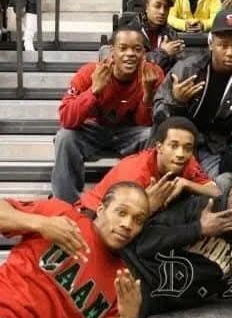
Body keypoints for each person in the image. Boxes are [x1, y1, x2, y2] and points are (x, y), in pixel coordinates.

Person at [0, 182, 151, 318]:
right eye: (121, 212)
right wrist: (40, 223)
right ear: (101, 209)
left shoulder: (122, 280)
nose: (127, 224)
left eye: (138, 220)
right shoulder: (64, 215)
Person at [124, 171, 232, 318]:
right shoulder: (200, 205)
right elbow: (144, 244)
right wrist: (199, 229)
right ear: (231, 193)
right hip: (132, 270)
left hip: (162, 298)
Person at [154, 9, 232, 178]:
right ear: (211, 43)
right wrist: (177, 101)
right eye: (223, 45)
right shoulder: (187, 68)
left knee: (221, 183)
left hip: (217, 148)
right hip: (177, 142)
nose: (230, 52)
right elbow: (157, 116)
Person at [52, 27, 164, 204]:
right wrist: (93, 91)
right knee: (65, 137)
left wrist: (148, 95)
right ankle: (65, 203)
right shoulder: (89, 72)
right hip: (93, 130)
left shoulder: (152, 74)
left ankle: (138, 199)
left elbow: (144, 122)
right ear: (112, 51)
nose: (130, 54)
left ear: (144, 52)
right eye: (123, 48)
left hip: (129, 132)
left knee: (153, 134)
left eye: (137, 49)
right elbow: (66, 118)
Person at [78, 116, 221, 216]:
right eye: (174, 145)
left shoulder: (187, 161)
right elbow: (120, 222)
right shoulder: (137, 172)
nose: (180, 153)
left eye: (187, 148)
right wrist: (149, 207)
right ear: (159, 147)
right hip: (93, 215)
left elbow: (216, 192)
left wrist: (186, 184)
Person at [122, 0, 185, 73]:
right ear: (147, 7)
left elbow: (180, 68)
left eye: (166, 8)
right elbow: (135, 65)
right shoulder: (130, 32)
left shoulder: (171, 35)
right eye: (157, 6)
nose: (162, 12)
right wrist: (164, 53)